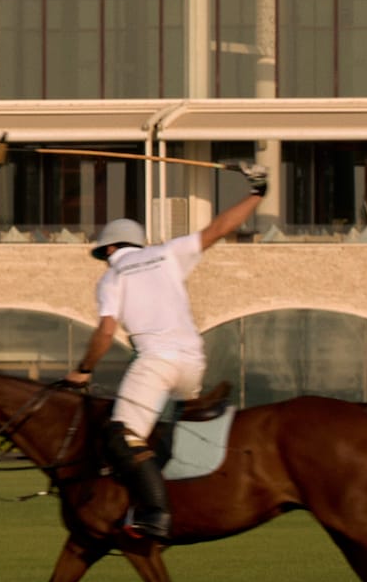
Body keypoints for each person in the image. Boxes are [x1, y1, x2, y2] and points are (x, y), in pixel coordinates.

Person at [65, 163, 269, 540]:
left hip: (157, 362)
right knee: (156, 436)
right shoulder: (168, 253)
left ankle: (156, 515)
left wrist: (84, 370)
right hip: (193, 364)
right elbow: (220, 229)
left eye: (103, 253)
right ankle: (160, 495)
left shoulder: (112, 277)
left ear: (109, 248)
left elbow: (106, 331)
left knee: (122, 437)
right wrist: (257, 193)